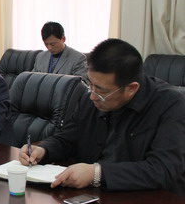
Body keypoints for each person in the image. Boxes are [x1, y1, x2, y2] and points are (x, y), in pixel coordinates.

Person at [19, 38, 185, 195]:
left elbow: (163, 169)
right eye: (90, 84)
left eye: (101, 90)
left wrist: (97, 173)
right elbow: (68, 138)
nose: (92, 95)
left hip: (149, 202)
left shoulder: (171, 105)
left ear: (131, 88)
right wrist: (44, 149)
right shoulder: (91, 96)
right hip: (93, 197)